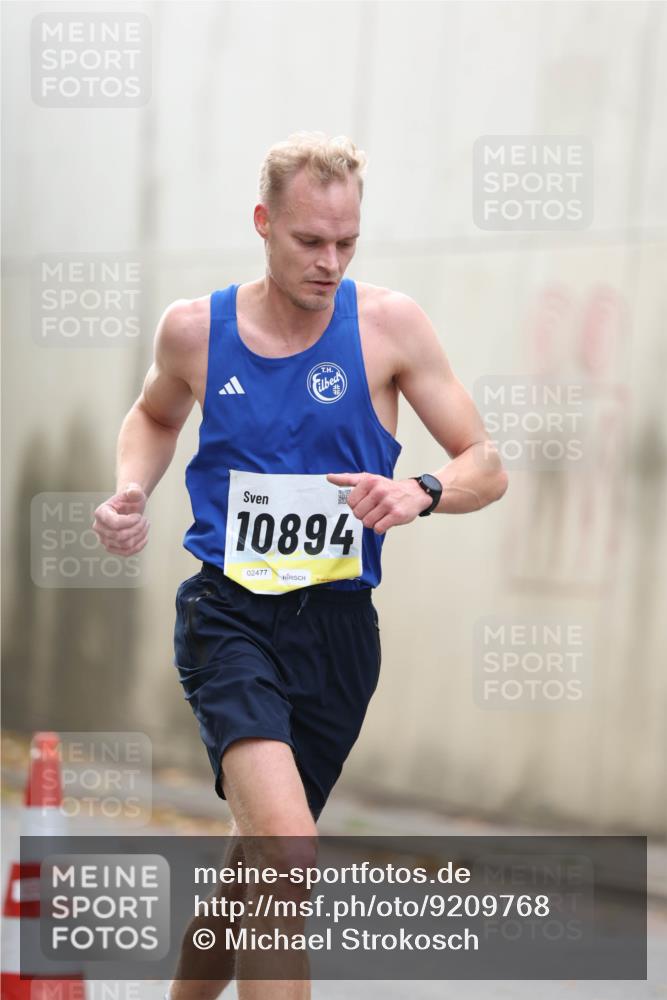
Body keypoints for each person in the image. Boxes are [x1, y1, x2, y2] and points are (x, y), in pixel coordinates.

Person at [93, 131, 508, 999]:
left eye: (345, 242)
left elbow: (485, 463)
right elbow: (155, 415)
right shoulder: (195, 330)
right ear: (262, 223)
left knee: (261, 858)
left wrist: (421, 490)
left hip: (338, 632)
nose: (329, 262)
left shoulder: (388, 324)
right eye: (308, 241)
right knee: (285, 848)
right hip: (229, 615)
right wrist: (131, 486)